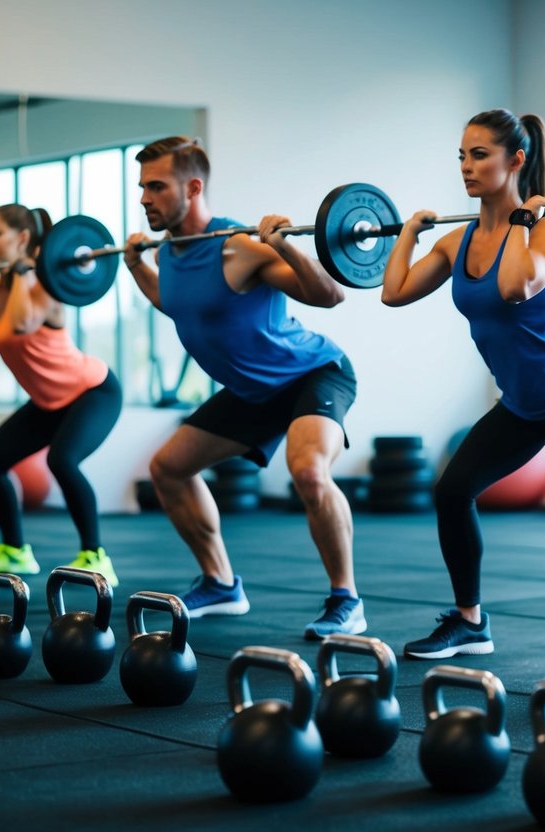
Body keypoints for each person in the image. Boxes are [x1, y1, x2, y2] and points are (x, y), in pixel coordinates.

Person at [382, 109, 545, 680]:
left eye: (480, 155)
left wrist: (522, 220)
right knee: (452, 490)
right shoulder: (456, 240)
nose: (467, 167)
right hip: (522, 403)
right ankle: (469, 621)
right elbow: (393, 293)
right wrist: (408, 235)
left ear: (515, 160)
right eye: (462, 156)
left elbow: (516, 285)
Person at [123, 136, 365, 640]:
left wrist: (284, 247)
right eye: (142, 187)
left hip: (310, 373)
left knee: (309, 472)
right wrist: (136, 267)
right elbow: (177, 304)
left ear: (193, 188)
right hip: (252, 390)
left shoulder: (236, 245)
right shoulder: (171, 250)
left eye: (156, 186)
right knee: (168, 469)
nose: (145, 197)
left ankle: (347, 600)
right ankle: (220, 583)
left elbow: (331, 295)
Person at [0, 204, 123, 585]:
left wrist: (24, 272)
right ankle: (16, 552)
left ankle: (96, 556)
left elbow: (21, 323)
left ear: (22, 238)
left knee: (63, 460)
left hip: (92, 391)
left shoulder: (46, 287)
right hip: (47, 403)